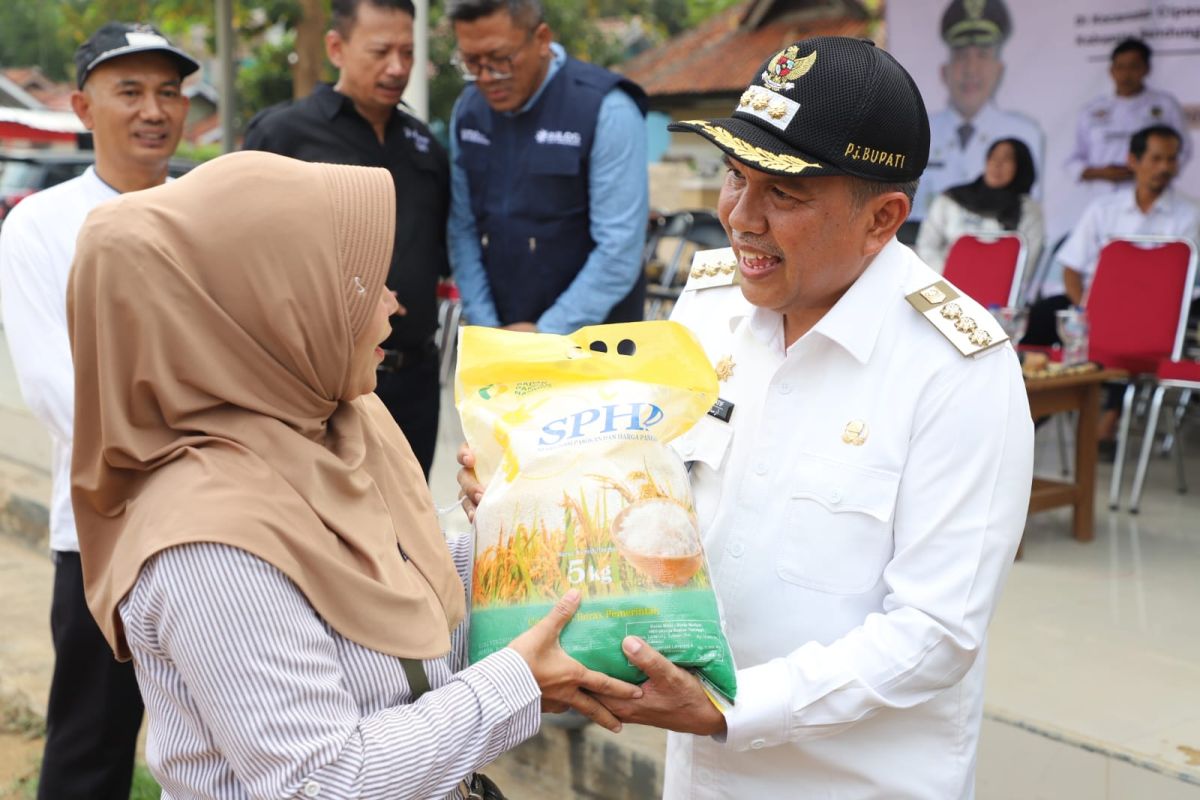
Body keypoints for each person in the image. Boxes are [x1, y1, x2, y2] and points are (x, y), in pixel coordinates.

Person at [460, 35, 1035, 798]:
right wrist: (532, 495)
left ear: (883, 217)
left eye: (784, 194)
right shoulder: (711, 305)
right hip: (703, 775)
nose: (740, 217)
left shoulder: (957, 370)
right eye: (735, 176)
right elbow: (653, 502)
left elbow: (937, 633)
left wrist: (731, 709)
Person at [66, 151, 641, 800]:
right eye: (358, 283)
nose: (394, 305)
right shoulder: (207, 544)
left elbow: (402, 609)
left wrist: (514, 533)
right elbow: (324, 782)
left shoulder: (333, 426)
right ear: (270, 311)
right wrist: (516, 683)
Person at [0, 22, 197, 800]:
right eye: (131, 92)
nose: (155, 109)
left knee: (234, 740)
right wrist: (191, 452)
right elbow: (54, 387)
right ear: (83, 105)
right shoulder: (40, 225)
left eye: (170, 91)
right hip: (100, 530)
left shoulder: (213, 211)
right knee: (91, 742)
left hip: (223, 527)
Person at [243, 0, 446, 477]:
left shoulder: (425, 145)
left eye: (407, 52)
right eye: (380, 51)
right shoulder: (284, 135)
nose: (397, 67)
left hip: (414, 376)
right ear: (337, 47)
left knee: (412, 529)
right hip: (325, 385)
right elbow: (249, 259)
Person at [445, 0, 649, 334]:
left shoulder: (607, 109)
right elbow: (462, 230)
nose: (486, 77)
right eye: (471, 62)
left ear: (541, 39)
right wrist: (487, 327)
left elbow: (619, 248)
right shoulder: (468, 111)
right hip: (502, 336)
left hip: (595, 342)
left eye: (500, 60)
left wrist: (544, 335)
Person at [1055, 124, 1199, 449]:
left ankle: (1109, 420)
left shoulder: (1190, 215)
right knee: (1040, 318)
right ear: (1132, 160)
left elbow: (1183, 283)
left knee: (1130, 330)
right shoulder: (1102, 210)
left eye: (1171, 159)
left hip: (1160, 313)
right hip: (1097, 306)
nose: (1165, 167)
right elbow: (1071, 269)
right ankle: (1029, 416)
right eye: (1156, 158)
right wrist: (1085, 312)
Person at [913, 0, 1044, 224]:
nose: (971, 69)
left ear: (999, 70)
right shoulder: (919, 130)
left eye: (982, 55)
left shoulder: (1024, 132)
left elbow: (1024, 215)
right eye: (961, 56)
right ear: (945, 71)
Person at [1067, 38, 1191, 203]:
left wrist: (1148, 170)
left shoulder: (1165, 105)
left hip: (1153, 198)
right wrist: (1101, 173)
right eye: (1120, 67)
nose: (1126, 74)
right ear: (1111, 71)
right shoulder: (1091, 111)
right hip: (1103, 198)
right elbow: (1073, 161)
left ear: (1147, 69)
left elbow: (1183, 150)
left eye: (1133, 67)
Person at [916, 136, 1043, 273]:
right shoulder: (952, 198)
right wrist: (951, 276)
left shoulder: (1028, 210)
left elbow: (1025, 264)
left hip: (995, 289)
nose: (997, 164)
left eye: (1007, 159)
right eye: (993, 157)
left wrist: (982, 280)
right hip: (944, 283)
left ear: (1021, 166)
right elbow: (927, 246)